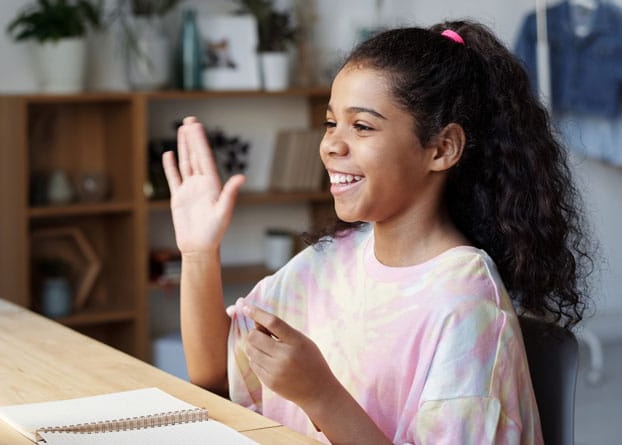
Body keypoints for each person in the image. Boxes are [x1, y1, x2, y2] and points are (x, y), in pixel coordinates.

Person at [161, 19, 593, 444]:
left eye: (362, 126)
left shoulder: (466, 306)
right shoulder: (329, 261)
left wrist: (321, 396)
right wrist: (199, 252)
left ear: (442, 148)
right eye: (331, 123)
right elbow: (214, 370)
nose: (332, 144)